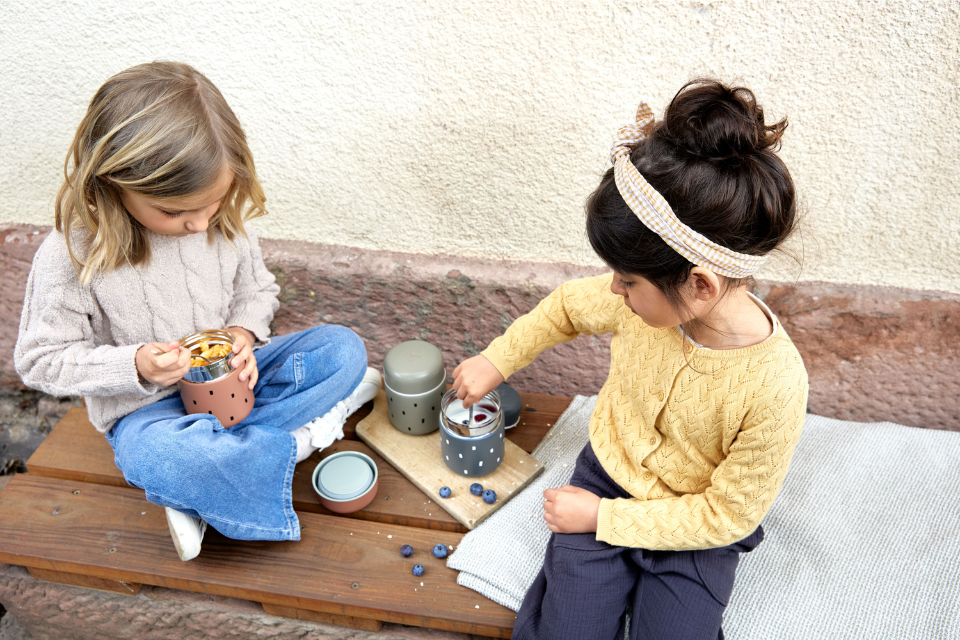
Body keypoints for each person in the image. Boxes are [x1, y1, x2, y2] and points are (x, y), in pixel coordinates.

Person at [452, 80, 809, 639]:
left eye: (627, 279)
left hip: (692, 528)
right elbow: (566, 309)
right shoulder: (639, 304)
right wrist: (497, 361)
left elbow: (727, 516)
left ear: (698, 284)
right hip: (604, 479)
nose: (613, 291)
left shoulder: (775, 386)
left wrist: (603, 521)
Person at [14, 61, 381, 562]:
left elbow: (257, 292)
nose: (199, 223)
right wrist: (138, 364)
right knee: (164, 457)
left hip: (238, 386)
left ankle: (219, 477)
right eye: (176, 212)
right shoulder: (73, 252)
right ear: (112, 182)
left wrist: (243, 336)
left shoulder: (221, 220)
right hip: (150, 414)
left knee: (342, 349)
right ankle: (291, 446)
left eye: (212, 204)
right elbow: (39, 359)